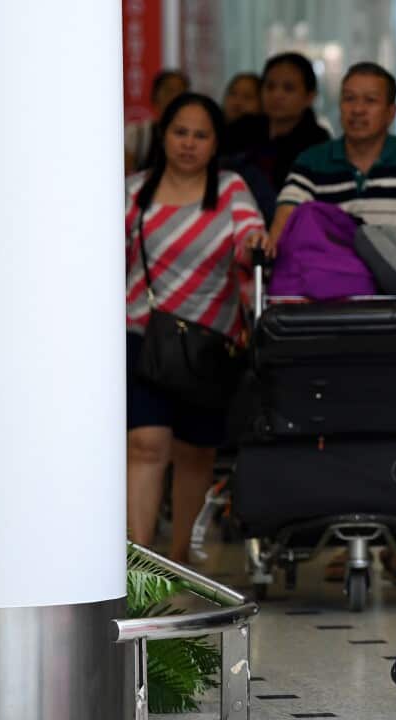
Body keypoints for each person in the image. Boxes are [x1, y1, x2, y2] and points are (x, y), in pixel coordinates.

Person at [125, 93, 268, 564]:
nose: (188, 143)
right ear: (163, 136)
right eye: (179, 132)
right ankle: (141, 560)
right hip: (141, 334)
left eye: (200, 135)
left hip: (209, 342)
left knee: (195, 452)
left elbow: (251, 240)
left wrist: (253, 245)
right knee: (146, 443)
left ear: (215, 143)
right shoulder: (133, 193)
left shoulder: (230, 190)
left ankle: (180, 556)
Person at [273, 62, 396, 292]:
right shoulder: (312, 161)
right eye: (349, 99)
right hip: (330, 288)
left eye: (370, 100)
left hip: (392, 289)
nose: (357, 109)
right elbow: (285, 220)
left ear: (391, 112)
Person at [223, 53, 332, 223]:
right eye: (270, 86)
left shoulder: (317, 142)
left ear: (309, 97)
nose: (277, 95)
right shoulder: (243, 128)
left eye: (288, 88)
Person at [125, 69, 190, 174]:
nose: (175, 97)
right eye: (169, 91)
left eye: (181, 92)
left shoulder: (193, 135)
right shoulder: (138, 134)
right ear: (155, 96)